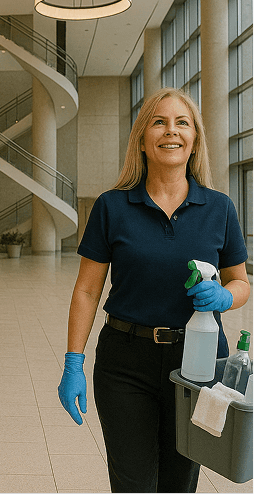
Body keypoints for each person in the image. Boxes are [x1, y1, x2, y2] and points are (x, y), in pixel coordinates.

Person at [58, 88, 250, 493]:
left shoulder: (220, 208)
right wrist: (73, 361)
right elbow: (87, 291)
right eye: (159, 121)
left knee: (180, 483)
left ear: (194, 139)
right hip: (125, 362)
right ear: (142, 139)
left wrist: (225, 298)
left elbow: (241, 282)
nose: (171, 131)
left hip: (199, 366)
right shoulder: (112, 207)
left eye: (183, 123)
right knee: (133, 485)